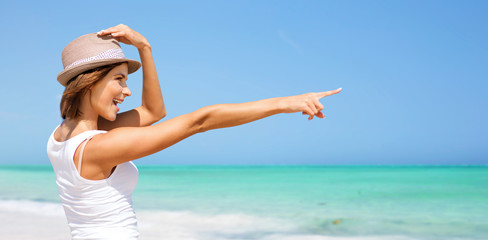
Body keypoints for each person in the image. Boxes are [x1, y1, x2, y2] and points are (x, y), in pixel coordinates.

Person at [47, 24, 341, 239]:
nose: (126, 91)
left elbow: (153, 112)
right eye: (119, 79)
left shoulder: (61, 136)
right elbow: (200, 121)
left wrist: (145, 49)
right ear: (90, 82)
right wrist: (284, 103)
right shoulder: (100, 147)